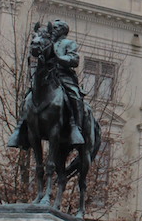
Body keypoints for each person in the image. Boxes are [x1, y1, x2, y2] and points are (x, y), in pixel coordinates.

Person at [8, 19, 86, 149]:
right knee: (28, 97)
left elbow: (74, 59)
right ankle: (20, 128)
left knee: (74, 96)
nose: (53, 30)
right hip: (46, 76)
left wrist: (59, 58)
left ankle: (75, 128)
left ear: (63, 30)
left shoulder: (68, 43)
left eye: (56, 28)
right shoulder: (46, 40)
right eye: (53, 28)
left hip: (63, 76)